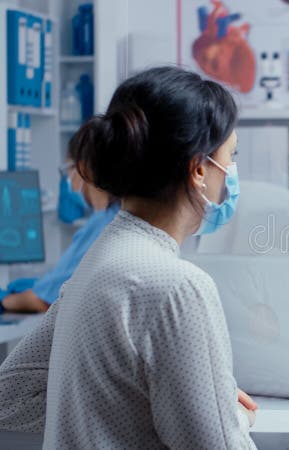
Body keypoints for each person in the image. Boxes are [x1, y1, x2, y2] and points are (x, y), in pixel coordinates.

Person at [0, 66, 258, 449]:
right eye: (230, 156)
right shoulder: (179, 287)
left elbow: (10, 397)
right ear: (200, 169)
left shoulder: (98, 260)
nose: (231, 173)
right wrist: (230, 414)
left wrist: (134, 405)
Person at [0, 138, 119, 314]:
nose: (67, 180)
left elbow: (45, 300)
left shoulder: (99, 227)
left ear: (83, 169)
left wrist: (4, 301)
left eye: (67, 170)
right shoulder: (118, 218)